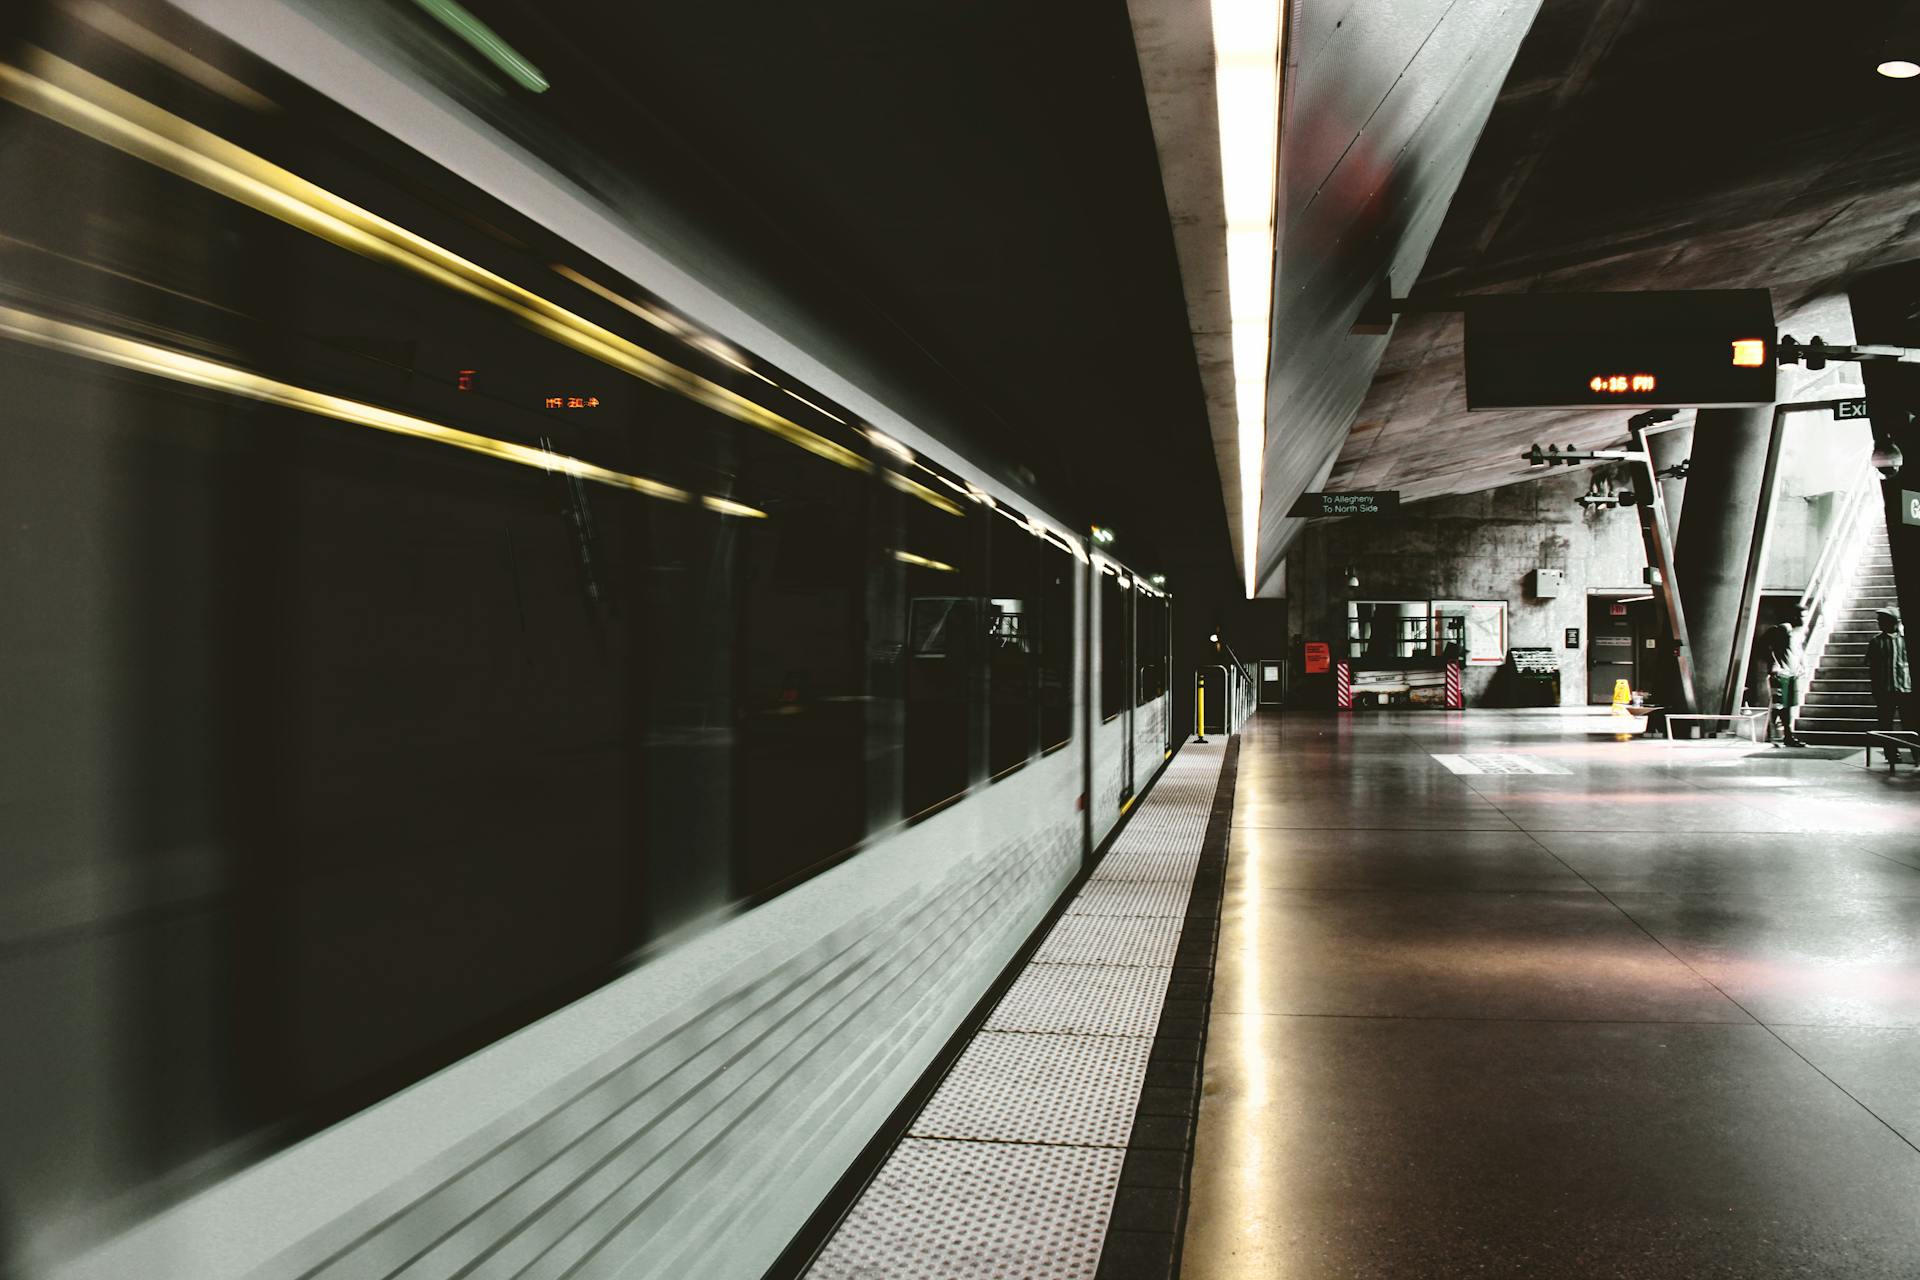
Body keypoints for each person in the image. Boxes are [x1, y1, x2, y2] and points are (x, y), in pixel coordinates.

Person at [1867, 606, 1917, 765]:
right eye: (1879, 620)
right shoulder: (1876, 642)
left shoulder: (1908, 639)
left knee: (1910, 722)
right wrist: (1875, 689)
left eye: (1883, 620)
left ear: (1895, 622)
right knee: (1885, 723)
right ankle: (1891, 754)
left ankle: (1916, 752)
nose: (1880, 623)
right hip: (1884, 690)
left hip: (1906, 689)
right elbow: (1873, 668)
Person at [1759, 605, 1807, 747]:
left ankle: (1787, 736)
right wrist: (1774, 664)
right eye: (1802, 616)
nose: (1804, 619)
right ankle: (1772, 736)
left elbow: (1797, 650)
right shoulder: (1784, 628)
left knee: (1788, 705)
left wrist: (1802, 665)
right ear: (1795, 617)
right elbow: (1763, 644)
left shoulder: (1798, 632)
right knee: (1779, 705)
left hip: (1792, 673)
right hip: (1782, 674)